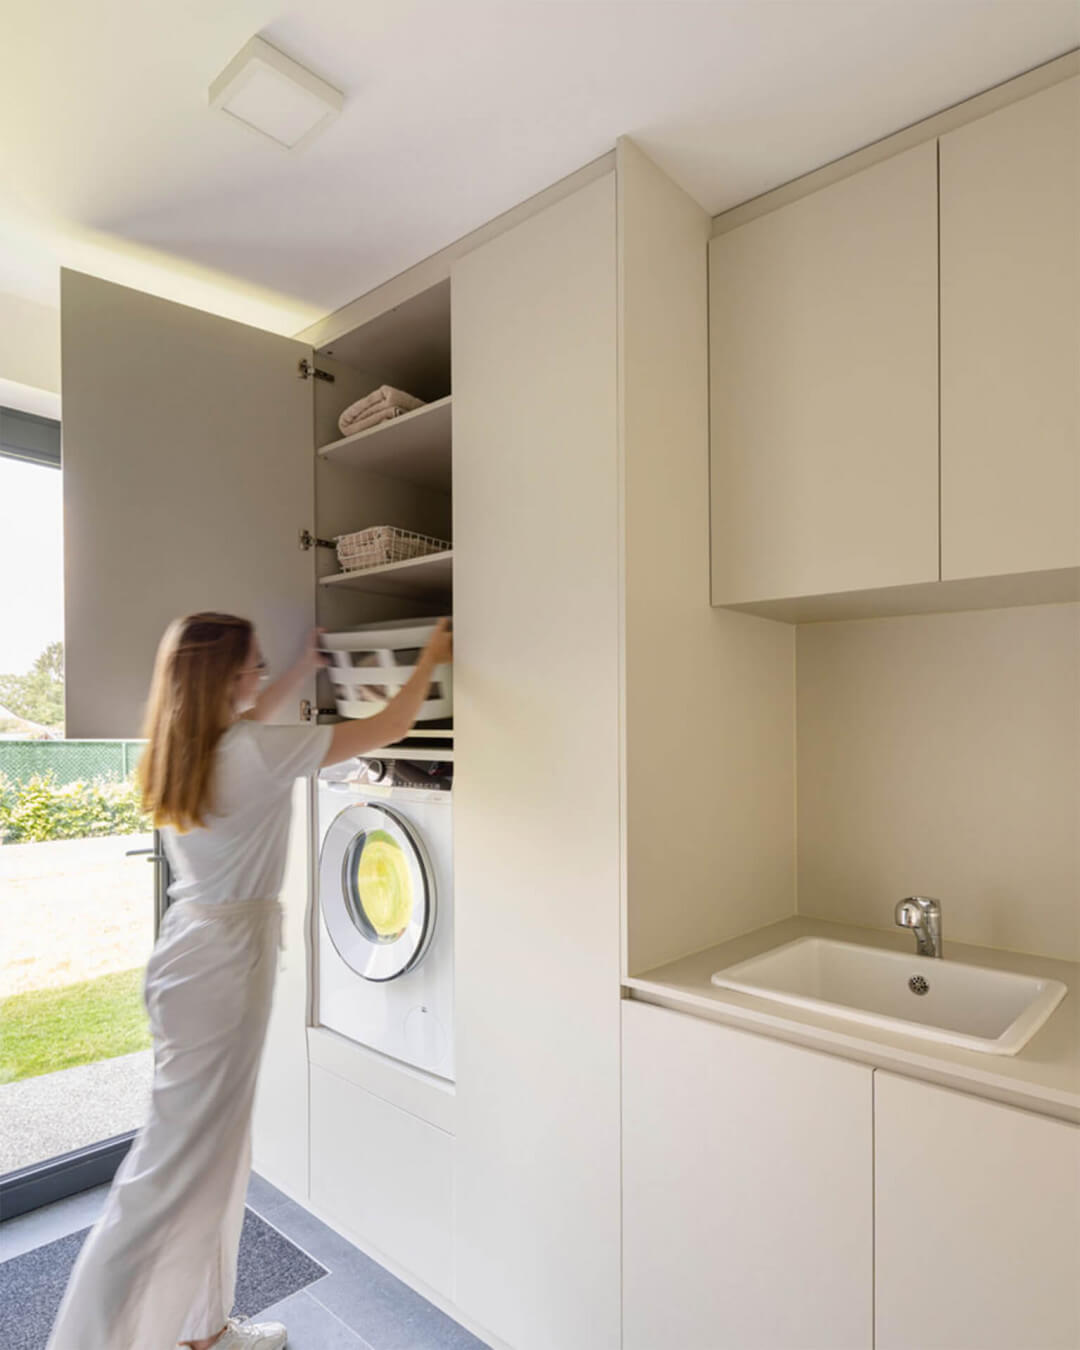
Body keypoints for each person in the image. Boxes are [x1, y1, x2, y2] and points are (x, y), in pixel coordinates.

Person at [47, 612, 453, 1350]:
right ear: (226, 678)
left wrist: (304, 667)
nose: (264, 679)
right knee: (168, 1178)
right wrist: (432, 654)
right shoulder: (257, 751)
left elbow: (259, 723)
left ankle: (204, 1331)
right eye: (256, 667)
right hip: (226, 971)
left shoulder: (188, 748)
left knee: (213, 1158)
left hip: (193, 955)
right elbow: (391, 726)